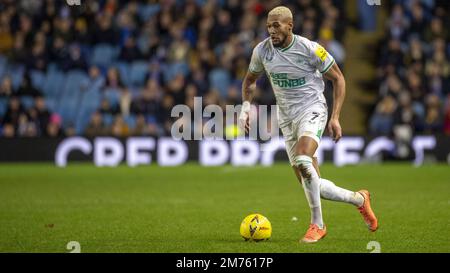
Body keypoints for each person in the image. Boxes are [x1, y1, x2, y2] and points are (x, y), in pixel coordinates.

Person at [238, 6, 378, 243]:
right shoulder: (261, 51)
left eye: (276, 25)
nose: (271, 30)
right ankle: (359, 199)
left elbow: (338, 78)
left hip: (312, 109)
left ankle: (317, 225)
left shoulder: (311, 49)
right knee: (311, 182)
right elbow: (250, 80)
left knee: (304, 160)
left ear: (289, 25)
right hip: (287, 117)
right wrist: (244, 108)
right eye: (268, 26)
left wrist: (335, 117)